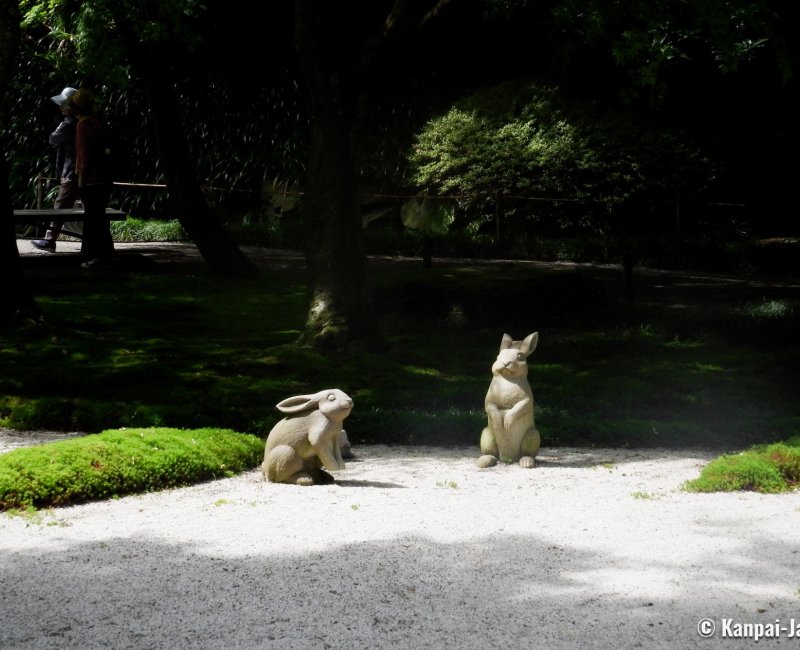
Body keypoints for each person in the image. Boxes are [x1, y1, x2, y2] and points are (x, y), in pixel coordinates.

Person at [67, 88, 115, 266]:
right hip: (103, 178)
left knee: (92, 220)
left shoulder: (83, 126)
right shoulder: (98, 123)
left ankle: (91, 255)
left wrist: (81, 182)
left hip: (91, 180)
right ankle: (106, 254)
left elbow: (85, 158)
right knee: (99, 218)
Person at [31, 86, 80, 251]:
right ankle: (99, 242)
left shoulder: (69, 124)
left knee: (60, 206)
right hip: (82, 171)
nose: (60, 107)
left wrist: (59, 127)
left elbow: (53, 139)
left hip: (72, 171)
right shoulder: (83, 121)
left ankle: (50, 240)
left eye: (63, 104)